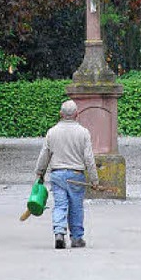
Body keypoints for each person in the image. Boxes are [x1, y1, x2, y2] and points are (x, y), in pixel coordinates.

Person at [35, 99, 99, 249]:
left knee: (60, 205)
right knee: (76, 206)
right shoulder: (83, 132)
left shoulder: (52, 132)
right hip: (76, 175)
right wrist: (94, 179)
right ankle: (76, 238)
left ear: (60, 114)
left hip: (57, 174)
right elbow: (89, 158)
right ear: (77, 114)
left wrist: (40, 173)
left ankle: (59, 233)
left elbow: (45, 154)